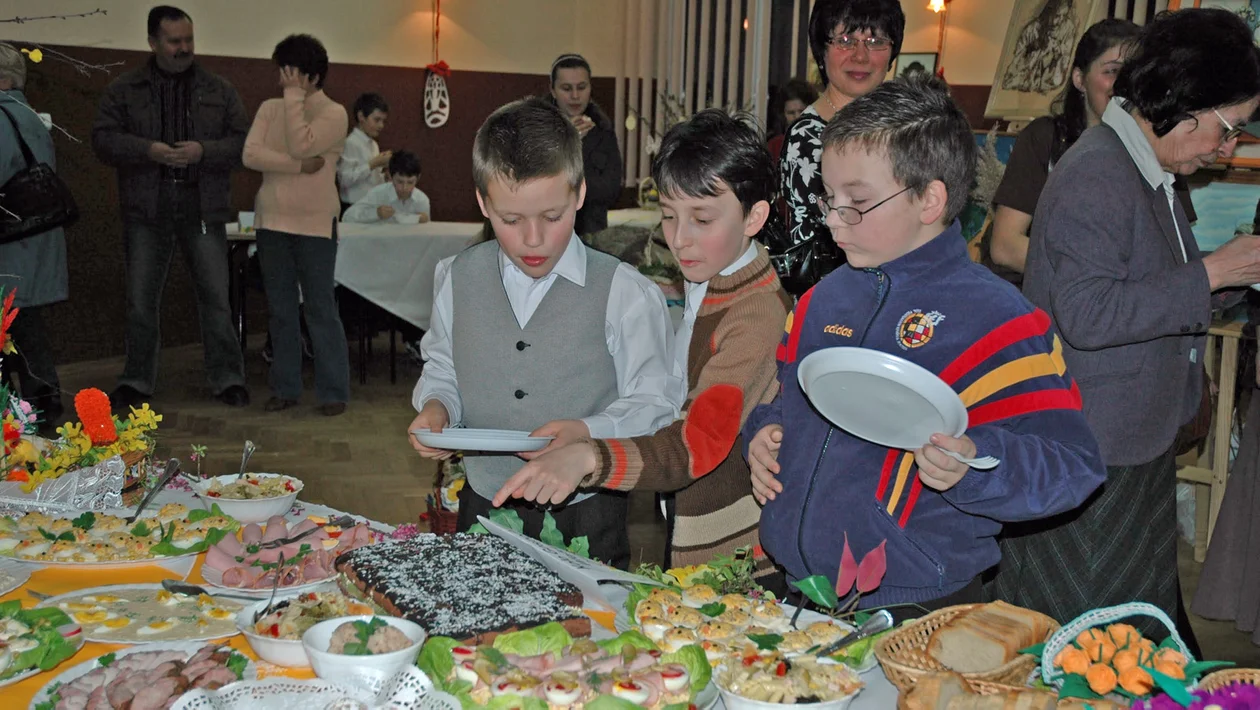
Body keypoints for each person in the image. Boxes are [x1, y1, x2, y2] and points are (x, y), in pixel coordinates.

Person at [745, 75, 1107, 612]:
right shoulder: (820, 301)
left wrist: (976, 464)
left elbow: (1073, 466)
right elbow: (784, 401)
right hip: (798, 586)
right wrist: (763, 433)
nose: (832, 219)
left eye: (857, 201)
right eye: (828, 197)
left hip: (919, 600)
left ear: (930, 200)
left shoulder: (999, 319)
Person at [999, 8, 1260, 648]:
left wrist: (1222, 277)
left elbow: (1145, 284)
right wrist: (1211, 273)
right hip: (1097, 448)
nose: (1226, 148)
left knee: (1124, 637)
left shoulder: (1144, 166)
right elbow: (1088, 314)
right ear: (1185, 102)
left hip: (1129, 440)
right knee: (1086, 642)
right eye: (1228, 128)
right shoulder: (1099, 171)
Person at [487, 110, 792, 574]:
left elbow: (696, 444)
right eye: (668, 216)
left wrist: (588, 457)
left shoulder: (754, 316)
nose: (679, 239)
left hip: (735, 558)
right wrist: (588, 431)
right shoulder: (713, 281)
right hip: (697, 529)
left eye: (702, 219)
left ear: (754, 216)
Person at [408, 97, 680, 569]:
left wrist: (588, 432)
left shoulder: (625, 291)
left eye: (552, 217)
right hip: (483, 505)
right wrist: (438, 407)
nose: (533, 239)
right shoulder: (456, 276)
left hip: (587, 515)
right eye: (511, 220)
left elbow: (657, 403)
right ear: (483, 202)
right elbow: (445, 365)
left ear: (579, 194)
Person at [92, 5, 249, 411]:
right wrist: (148, 150)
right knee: (141, 300)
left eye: (189, 40)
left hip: (203, 205)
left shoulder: (218, 89)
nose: (184, 48)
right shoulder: (125, 88)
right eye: (174, 41)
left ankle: (228, 378)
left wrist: (204, 151)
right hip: (147, 207)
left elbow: (242, 144)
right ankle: (136, 379)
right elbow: (103, 139)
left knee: (216, 297)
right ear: (152, 42)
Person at [986, 19, 1200, 288]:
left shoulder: (1161, 150)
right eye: (1112, 71)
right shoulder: (1045, 138)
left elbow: (1174, 251)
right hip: (1037, 297)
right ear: (1079, 79)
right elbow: (1005, 246)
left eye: (1134, 73)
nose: (1124, 84)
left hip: (1124, 300)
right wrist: (1089, 275)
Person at [242, 34, 350, 417]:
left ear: (313, 77)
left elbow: (302, 142)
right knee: (281, 309)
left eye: (292, 73)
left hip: (316, 223)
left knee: (320, 308)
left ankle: (333, 392)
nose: (284, 79)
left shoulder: (334, 113)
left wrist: (293, 98)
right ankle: (285, 388)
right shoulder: (269, 108)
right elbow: (250, 154)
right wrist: (296, 167)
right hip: (272, 219)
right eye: (282, 72)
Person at [776, 0, 905, 295]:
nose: (860, 56)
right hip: (837, 300)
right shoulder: (808, 139)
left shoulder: (903, 128)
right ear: (822, 51)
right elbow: (820, 252)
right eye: (845, 40)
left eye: (875, 41)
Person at [0, 43, 67, 434]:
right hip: (32, 240)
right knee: (26, 328)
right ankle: (42, 408)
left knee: (16, 328)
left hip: (11, 246)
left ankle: (32, 412)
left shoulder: (2, 116)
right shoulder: (28, 116)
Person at [548, 54, 622, 236]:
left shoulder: (603, 129)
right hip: (548, 232)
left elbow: (611, 189)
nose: (575, 96)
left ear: (590, 88)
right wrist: (567, 142)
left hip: (592, 233)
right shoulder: (536, 128)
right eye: (566, 88)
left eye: (581, 87)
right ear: (553, 91)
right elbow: (538, 185)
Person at [338, 92, 390, 214]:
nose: (381, 125)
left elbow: (372, 181)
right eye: (377, 120)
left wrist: (385, 177)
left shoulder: (374, 145)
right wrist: (372, 164)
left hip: (372, 206)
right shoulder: (350, 143)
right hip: (353, 207)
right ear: (361, 116)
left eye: (383, 121)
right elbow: (344, 180)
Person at [343, 151, 431, 224]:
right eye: (400, 182)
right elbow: (347, 217)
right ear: (391, 177)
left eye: (410, 182)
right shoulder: (378, 194)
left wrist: (424, 221)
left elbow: (427, 234)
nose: (405, 187)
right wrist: (376, 213)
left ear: (418, 178)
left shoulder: (422, 200)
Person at [767, 78, 818, 166]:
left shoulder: (822, 144)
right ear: (783, 114)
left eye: (801, 111)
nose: (797, 117)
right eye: (791, 113)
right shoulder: (774, 146)